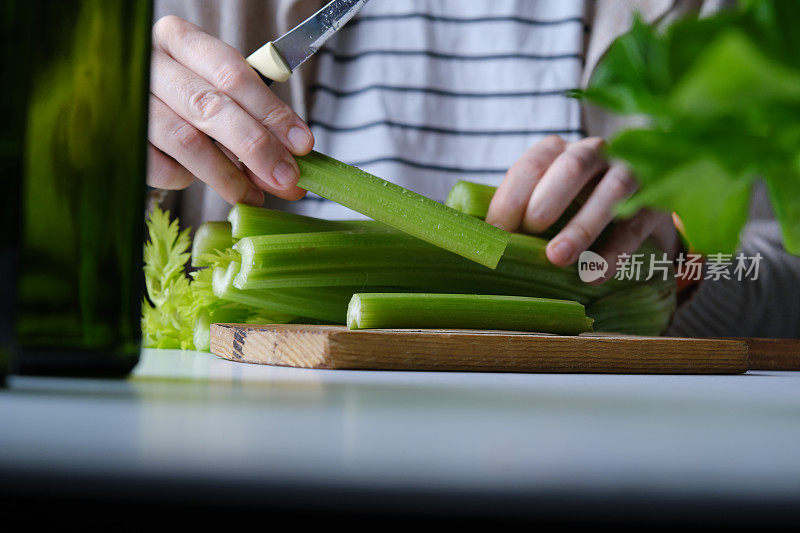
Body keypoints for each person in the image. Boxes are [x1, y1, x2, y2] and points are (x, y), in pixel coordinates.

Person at [148, 0, 800, 338]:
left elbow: (784, 271)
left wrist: (671, 272)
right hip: (267, 441)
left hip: (603, 447)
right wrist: (93, 157)